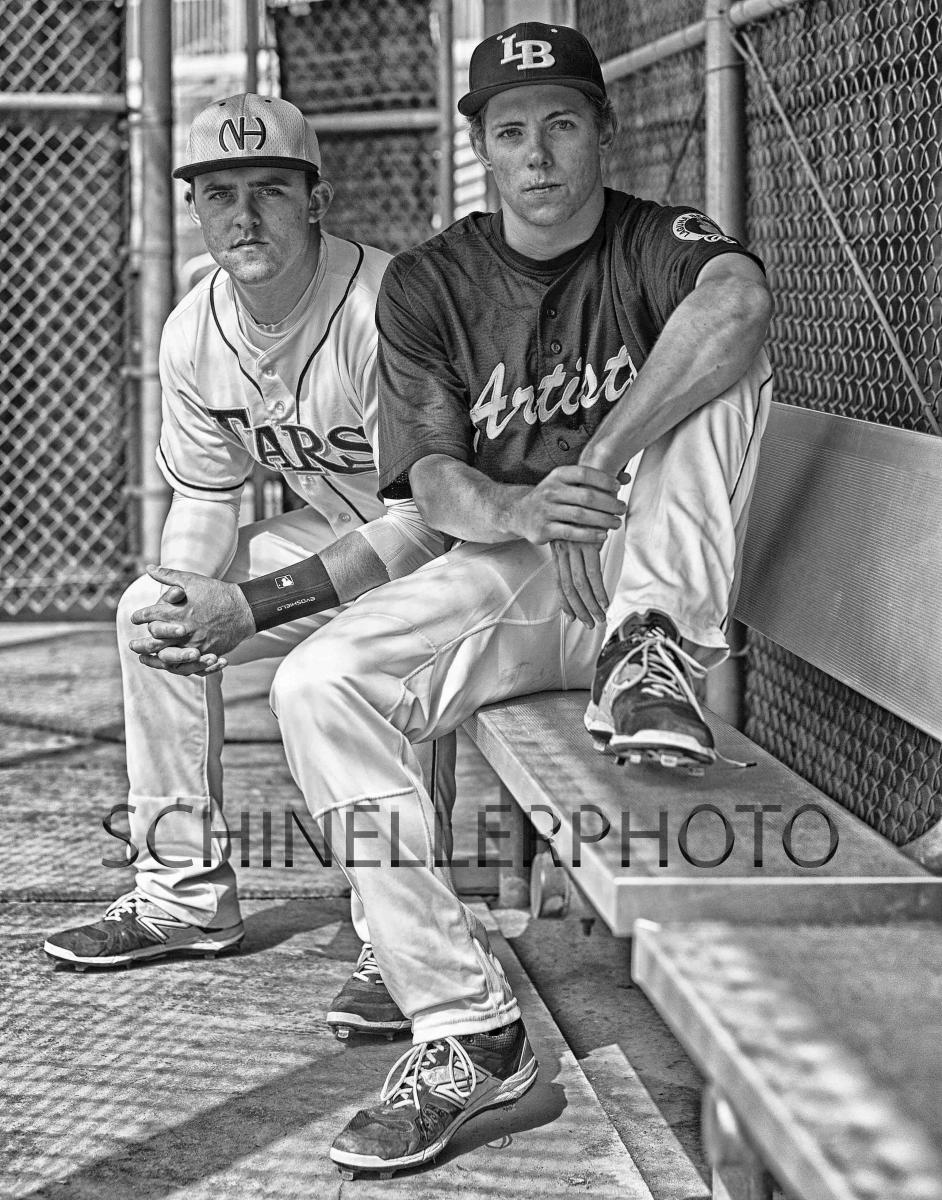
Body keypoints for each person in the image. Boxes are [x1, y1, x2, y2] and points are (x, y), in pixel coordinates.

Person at [121, 24, 773, 1178]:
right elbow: (430, 484)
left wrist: (602, 458)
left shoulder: (656, 242)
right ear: (482, 146)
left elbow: (735, 308)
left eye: (562, 123)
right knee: (322, 681)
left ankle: (651, 648)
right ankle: (467, 1026)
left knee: (720, 353)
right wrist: (522, 509)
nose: (539, 153)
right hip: (521, 572)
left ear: (603, 130)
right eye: (512, 130)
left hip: (656, 567)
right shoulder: (435, 281)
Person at [42, 93, 453, 1043]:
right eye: (220, 193)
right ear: (194, 208)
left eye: (270, 188)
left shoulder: (386, 308)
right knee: (146, 611)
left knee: (372, 649)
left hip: (454, 551)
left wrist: (255, 604)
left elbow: (428, 522)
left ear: (317, 200)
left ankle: (399, 935)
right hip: (348, 533)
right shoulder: (194, 329)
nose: (245, 216)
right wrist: (189, 605)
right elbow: (205, 496)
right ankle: (181, 892)